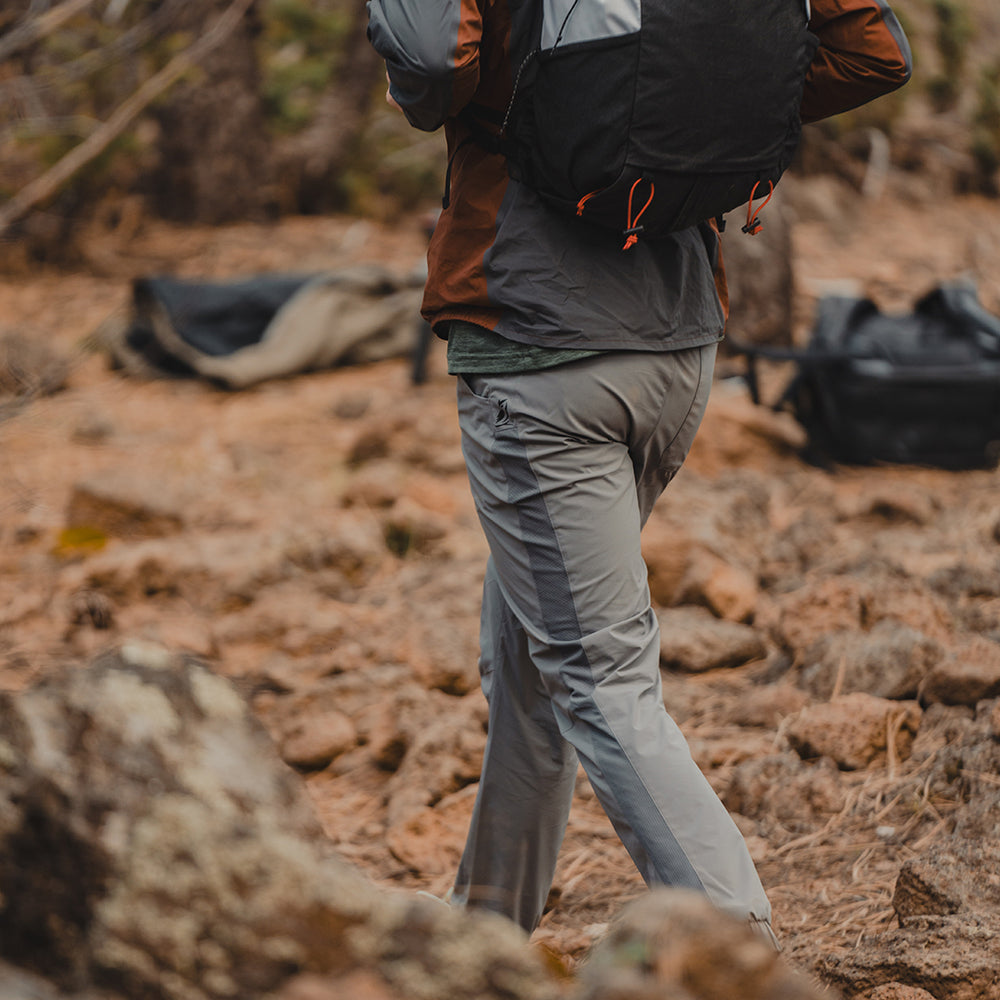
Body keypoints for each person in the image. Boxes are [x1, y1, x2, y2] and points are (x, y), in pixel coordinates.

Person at [366, 0, 911, 938]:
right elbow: (874, 52)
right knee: (533, 655)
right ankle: (487, 924)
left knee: (596, 674)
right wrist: (696, 129)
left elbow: (426, 62)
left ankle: (735, 943)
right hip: (678, 346)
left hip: (544, 354)